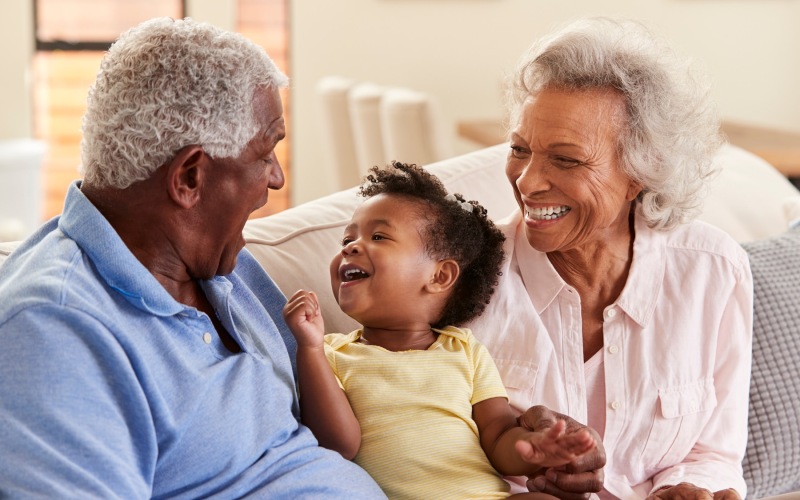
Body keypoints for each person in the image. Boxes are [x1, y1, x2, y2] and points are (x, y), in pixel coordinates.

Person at [0, 17, 385, 498]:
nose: (278, 178)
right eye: (266, 153)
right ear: (189, 178)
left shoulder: (218, 264)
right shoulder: (52, 330)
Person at [466, 17, 753, 499]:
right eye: (520, 149)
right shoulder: (465, 277)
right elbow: (427, 453)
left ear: (641, 172)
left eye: (567, 158)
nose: (527, 181)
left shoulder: (713, 269)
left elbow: (714, 453)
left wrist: (689, 487)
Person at [282, 162, 598, 499]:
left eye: (378, 236)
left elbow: (498, 435)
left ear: (440, 276)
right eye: (347, 238)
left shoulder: (465, 351)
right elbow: (339, 444)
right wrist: (310, 349)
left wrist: (534, 450)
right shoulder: (331, 353)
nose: (349, 247)